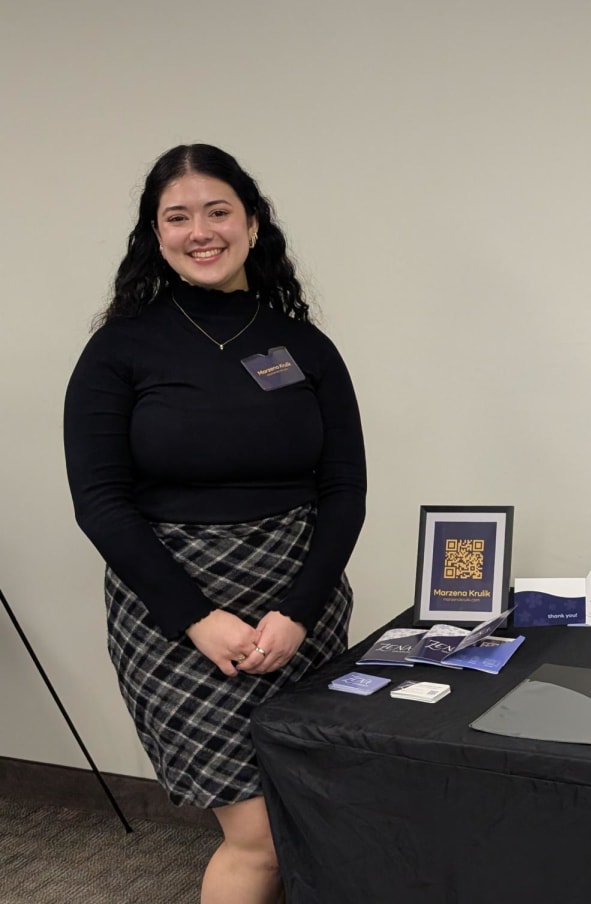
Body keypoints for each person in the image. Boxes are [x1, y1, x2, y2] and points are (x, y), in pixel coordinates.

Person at [63, 144, 367, 904]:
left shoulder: (303, 346)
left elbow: (344, 489)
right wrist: (197, 619)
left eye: (218, 210)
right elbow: (100, 502)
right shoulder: (118, 350)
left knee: (306, 807)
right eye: (178, 216)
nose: (201, 230)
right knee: (257, 835)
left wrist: (298, 611)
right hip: (176, 614)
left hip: (300, 606)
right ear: (155, 234)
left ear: (253, 224)